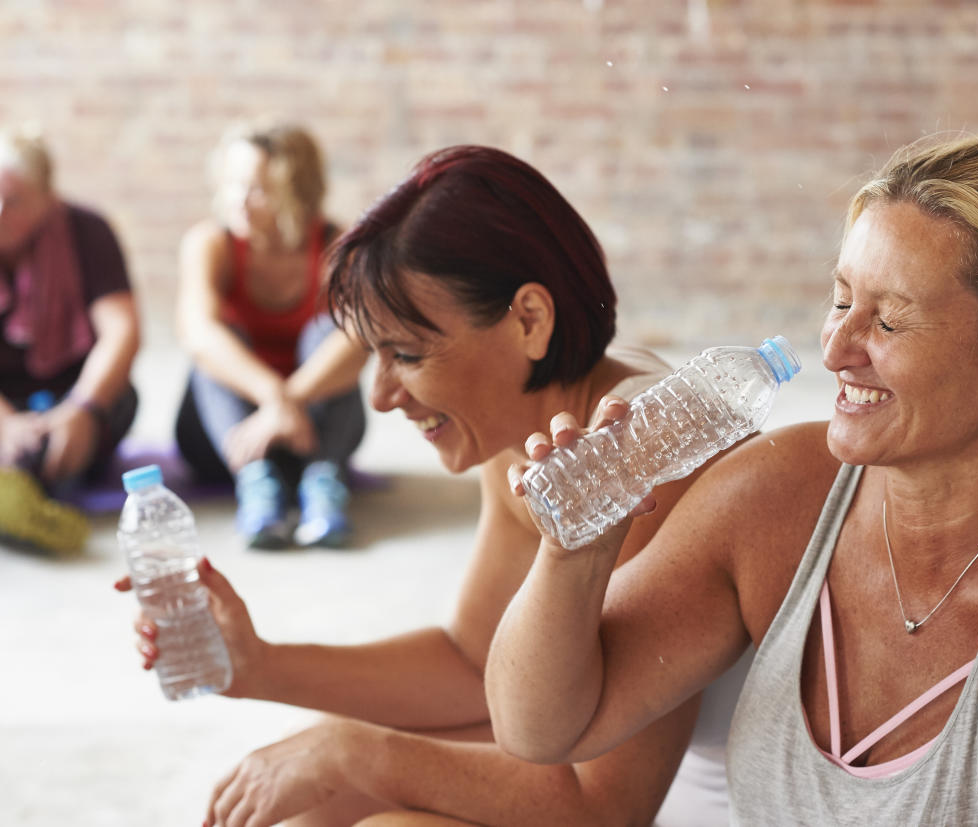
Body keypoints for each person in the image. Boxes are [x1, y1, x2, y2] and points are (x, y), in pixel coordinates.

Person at [485, 133, 978, 824]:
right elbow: (545, 725)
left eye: (888, 320)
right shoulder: (781, 491)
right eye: (842, 298)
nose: (837, 346)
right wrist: (572, 558)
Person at [118, 145, 750, 826]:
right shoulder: (521, 424)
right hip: (599, 772)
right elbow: (472, 661)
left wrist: (352, 751)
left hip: (699, 805)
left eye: (407, 354)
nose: (383, 396)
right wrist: (257, 667)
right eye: (374, 356)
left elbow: (602, 805)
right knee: (310, 803)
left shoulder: (640, 446)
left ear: (529, 321)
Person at [173, 122, 369, 548]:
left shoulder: (338, 245)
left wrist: (289, 401)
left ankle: (323, 489)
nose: (238, 202)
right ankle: (257, 488)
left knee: (328, 331)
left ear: (296, 191)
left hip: (312, 434)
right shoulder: (211, 243)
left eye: (258, 190)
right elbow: (197, 333)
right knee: (218, 343)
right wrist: (273, 398)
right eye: (233, 186)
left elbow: (360, 342)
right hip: (230, 440)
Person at [0, 125, 140, 553]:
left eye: (14, 202)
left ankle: (26, 481)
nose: (0, 212)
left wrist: (82, 408)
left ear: (48, 197)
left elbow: (122, 331)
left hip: (69, 393)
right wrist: (4, 423)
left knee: (119, 401)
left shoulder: (87, 231)